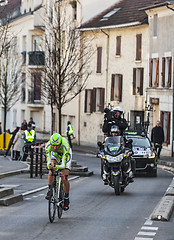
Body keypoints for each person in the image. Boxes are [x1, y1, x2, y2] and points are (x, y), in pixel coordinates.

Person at [45, 133, 72, 211]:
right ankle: (50, 190)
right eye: (53, 145)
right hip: (55, 155)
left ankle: (66, 198)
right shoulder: (48, 146)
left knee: (64, 177)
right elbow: (48, 162)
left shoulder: (65, 145)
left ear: (60, 144)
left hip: (65, 154)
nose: (55, 147)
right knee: (51, 169)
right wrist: (51, 166)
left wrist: (57, 167)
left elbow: (63, 165)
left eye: (57, 145)